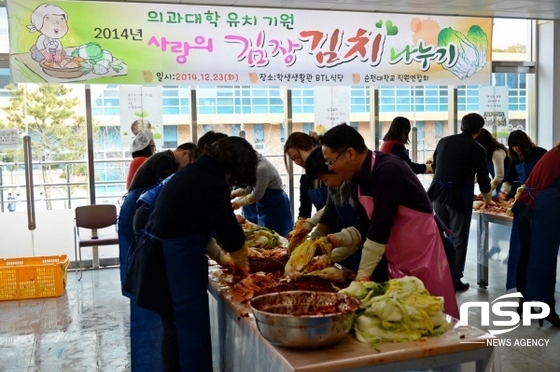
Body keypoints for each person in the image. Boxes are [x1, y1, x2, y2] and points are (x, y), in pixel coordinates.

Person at [126, 136, 258, 370]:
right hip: (173, 262)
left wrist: (223, 258)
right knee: (187, 330)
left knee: (175, 328)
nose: (232, 182)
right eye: (234, 177)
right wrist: (242, 265)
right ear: (232, 166)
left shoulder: (197, 172)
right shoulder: (210, 180)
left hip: (164, 254)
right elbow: (228, 231)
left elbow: (196, 223)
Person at [320, 123, 459, 318]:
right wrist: (330, 246)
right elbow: (363, 227)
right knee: (401, 318)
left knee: (430, 319)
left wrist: (362, 279)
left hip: (426, 255)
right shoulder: (357, 181)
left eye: (331, 161)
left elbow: (380, 226)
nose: (331, 167)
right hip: (398, 257)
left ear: (350, 153)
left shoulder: (388, 170)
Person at [118, 142, 197, 372]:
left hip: (140, 211)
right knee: (146, 282)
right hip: (139, 211)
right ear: (183, 153)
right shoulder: (166, 161)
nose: (186, 168)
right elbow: (168, 196)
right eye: (188, 162)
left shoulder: (165, 166)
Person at [427, 113, 493, 292]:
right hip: (457, 198)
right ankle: (454, 279)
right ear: (479, 130)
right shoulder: (477, 148)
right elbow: (483, 178)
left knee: (439, 235)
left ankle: (437, 274)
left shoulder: (444, 141)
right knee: (457, 238)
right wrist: (488, 199)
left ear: (462, 126)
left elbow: (434, 166)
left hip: (437, 195)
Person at [510, 143, 560, 326]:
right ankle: (546, 307)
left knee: (528, 257)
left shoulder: (554, 152)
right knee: (543, 260)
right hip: (539, 209)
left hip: (530, 207)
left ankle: (526, 302)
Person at [499, 130, 547, 290]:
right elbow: (508, 177)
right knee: (522, 249)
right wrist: (504, 191)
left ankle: (538, 290)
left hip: (539, 203)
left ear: (524, 143)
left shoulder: (540, 154)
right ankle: (522, 291)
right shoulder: (514, 158)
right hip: (522, 204)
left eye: (517, 146)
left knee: (539, 250)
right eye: (512, 147)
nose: (515, 150)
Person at [231, 152, 293, 237]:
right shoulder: (254, 165)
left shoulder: (262, 168)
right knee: (265, 235)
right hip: (265, 205)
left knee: (279, 237)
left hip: (276, 204)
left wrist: (237, 204)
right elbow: (251, 188)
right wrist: (234, 194)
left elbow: (256, 195)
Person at [284, 132, 328, 220]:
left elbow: (332, 205)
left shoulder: (330, 171)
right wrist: (299, 224)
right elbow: (305, 211)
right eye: (293, 159)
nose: (297, 162)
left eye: (298, 156)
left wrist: (313, 223)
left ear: (311, 147)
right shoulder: (305, 180)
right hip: (326, 226)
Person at [475, 128, 509, 196]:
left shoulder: (497, 153)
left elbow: (499, 177)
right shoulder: (484, 154)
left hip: (506, 185)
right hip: (497, 184)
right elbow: (480, 173)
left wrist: (487, 192)